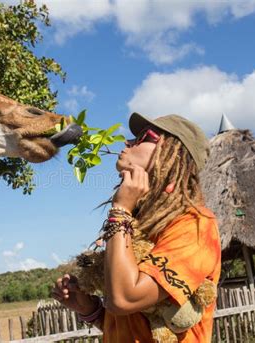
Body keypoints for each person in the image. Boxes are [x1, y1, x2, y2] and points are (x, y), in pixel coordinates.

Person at [51, 112, 221, 342]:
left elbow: (125, 299)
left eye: (145, 137)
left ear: (174, 154)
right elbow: (132, 324)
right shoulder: (137, 223)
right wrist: (90, 310)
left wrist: (120, 210)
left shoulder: (196, 225)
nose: (128, 142)